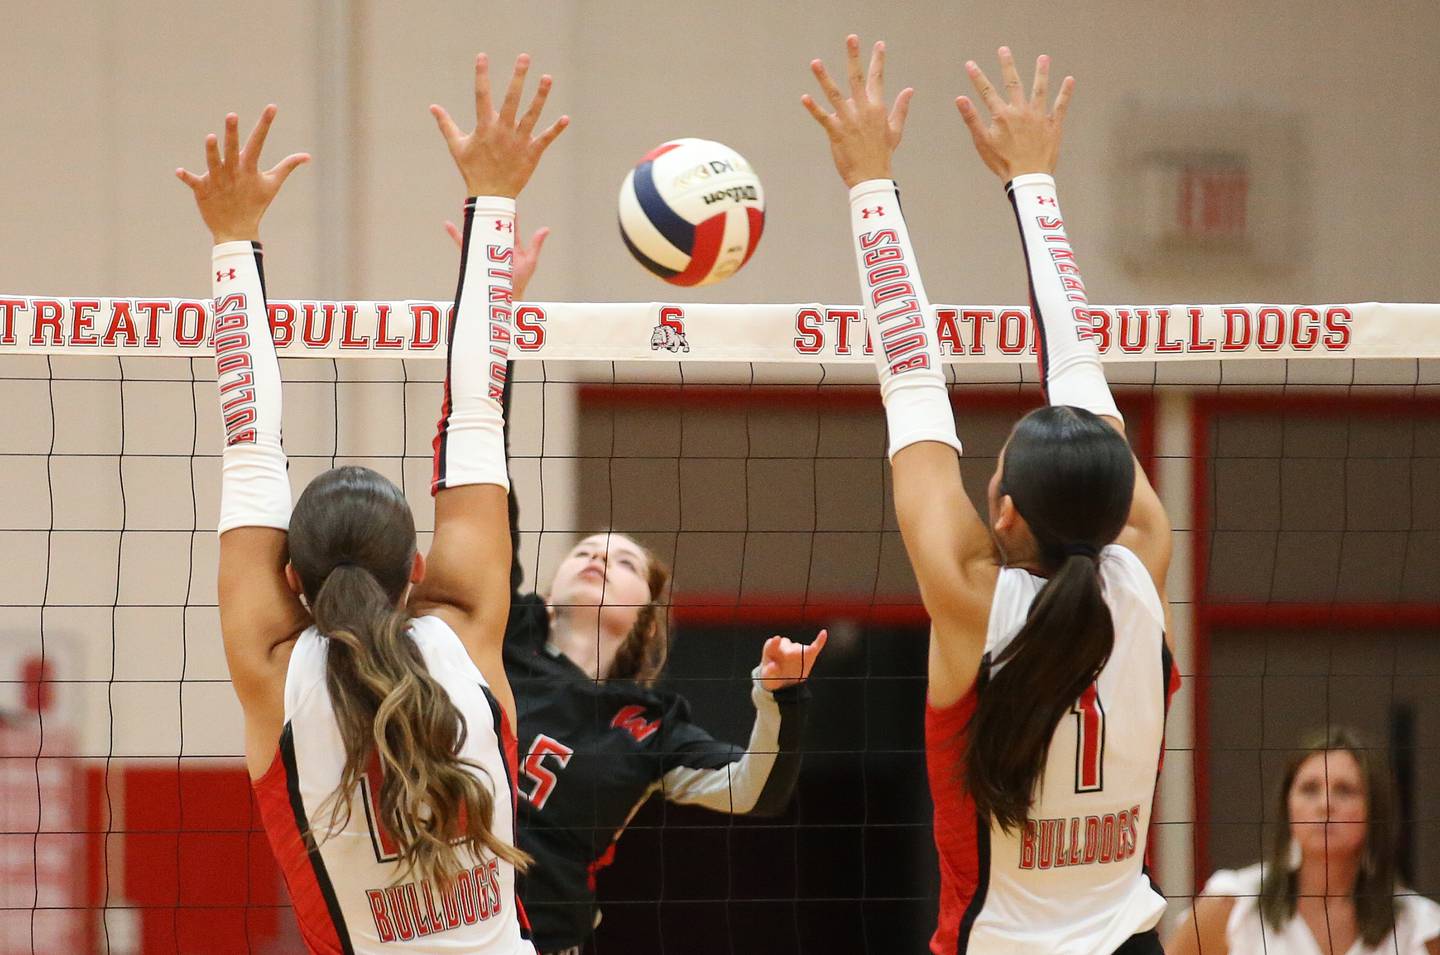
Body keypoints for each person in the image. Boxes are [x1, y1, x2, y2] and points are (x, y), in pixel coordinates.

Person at [177, 51, 567, 953]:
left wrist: (232, 240)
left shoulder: (276, 678)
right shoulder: (467, 632)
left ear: (289, 576)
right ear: (417, 572)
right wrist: (493, 203)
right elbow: (474, 413)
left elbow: (249, 450)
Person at [804, 38, 1180, 954]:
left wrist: (867, 184)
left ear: (1004, 509)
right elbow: (1074, 387)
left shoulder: (976, 605)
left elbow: (911, 379)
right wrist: (1033, 181)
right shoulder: (1144, 566)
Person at [440, 212, 827, 955]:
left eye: (621, 563)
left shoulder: (651, 725)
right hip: (440, 924)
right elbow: (483, 473)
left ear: (648, 616)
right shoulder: (505, 632)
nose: (596, 558)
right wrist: (495, 309)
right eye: (586, 549)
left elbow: (756, 789)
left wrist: (783, 697)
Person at [1168, 726, 1440, 955]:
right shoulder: (1232, 907)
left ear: (1375, 809)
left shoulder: (1421, 926)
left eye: (1345, 790)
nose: (1325, 804)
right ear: (1288, 806)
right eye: (1310, 789)